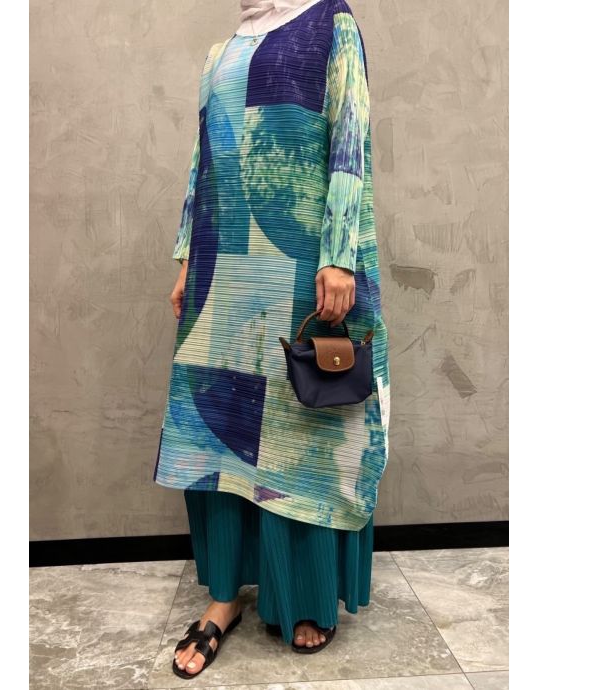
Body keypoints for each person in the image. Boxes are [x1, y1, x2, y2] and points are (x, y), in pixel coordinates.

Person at [152, 0, 391, 679]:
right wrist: (186, 258)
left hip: (299, 260)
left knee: (300, 434)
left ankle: (305, 595)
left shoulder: (330, 20)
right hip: (224, 263)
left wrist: (339, 253)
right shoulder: (222, 51)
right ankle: (224, 596)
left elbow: (349, 139)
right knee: (219, 431)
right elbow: (203, 157)